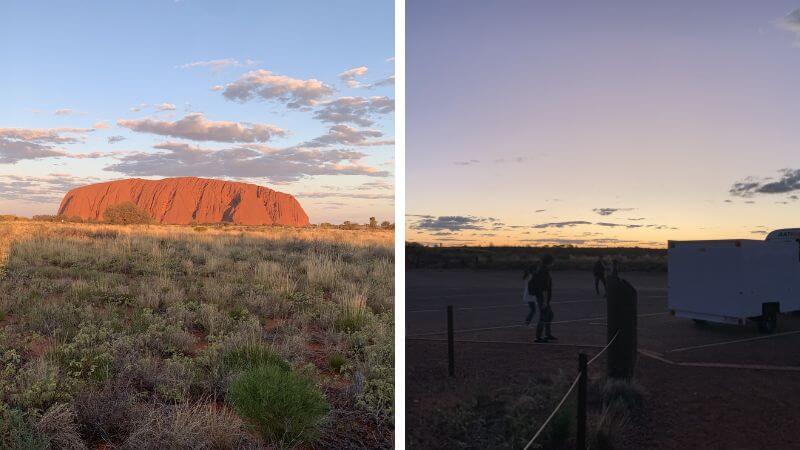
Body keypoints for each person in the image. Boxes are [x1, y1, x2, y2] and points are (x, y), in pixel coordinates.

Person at [529, 254, 556, 343]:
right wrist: (545, 301)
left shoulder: (542, 270)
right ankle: (538, 337)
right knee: (543, 316)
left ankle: (547, 334)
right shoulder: (544, 272)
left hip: (542, 297)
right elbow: (544, 288)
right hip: (542, 297)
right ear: (550, 262)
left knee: (549, 315)